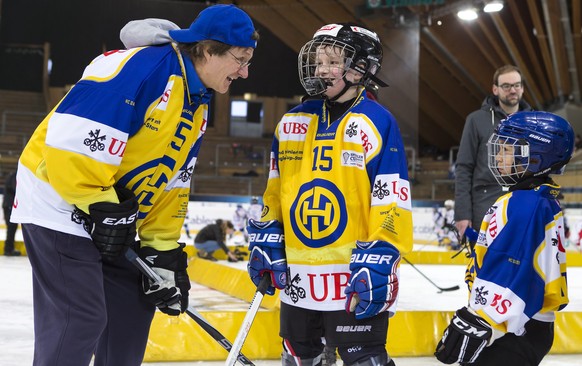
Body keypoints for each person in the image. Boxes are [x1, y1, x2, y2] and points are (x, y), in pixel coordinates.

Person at [10, 4, 258, 366]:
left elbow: (172, 181)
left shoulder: (197, 100)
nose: (246, 72)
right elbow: (72, 143)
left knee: (133, 307)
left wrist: (163, 251)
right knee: (80, 316)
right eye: (240, 59)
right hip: (58, 201)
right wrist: (104, 207)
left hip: (109, 210)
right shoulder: (142, 68)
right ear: (207, 50)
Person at [246, 23, 413, 366]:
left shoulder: (377, 122)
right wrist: (268, 233)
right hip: (300, 281)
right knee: (297, 359)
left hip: (352, 281)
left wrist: (382, 256)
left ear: (362, 68)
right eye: (319, 60)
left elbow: (391, 198)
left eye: (332, 61)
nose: (321, 69)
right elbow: (275, 190)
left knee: (364, 359)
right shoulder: (292, 121)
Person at [435, 111, 574, 365]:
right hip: (525, 326)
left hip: (514, 329)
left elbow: (513, 266)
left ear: (535, 157)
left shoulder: (524, 205)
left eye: (508, 150)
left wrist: (483, 320)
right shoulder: (535, 197)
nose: (498, 157)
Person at [454, 65, 533, 238]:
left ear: (522, 88)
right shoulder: (476, 120)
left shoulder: (534, 121)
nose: (512, 90)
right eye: (506, 86)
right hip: (485, 207)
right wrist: (462, 213)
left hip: (523, 206)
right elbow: (464, 168)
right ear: (495, 89)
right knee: (486, 264)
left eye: (517, 85)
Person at [2, 169, 20, 256]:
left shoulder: (13, 175)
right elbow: (15, 188)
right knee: (11, 228)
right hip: (9, 205)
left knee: (12, 228)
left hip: (9, 205)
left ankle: (9, 248)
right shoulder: (15, 175)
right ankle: (8, 249)